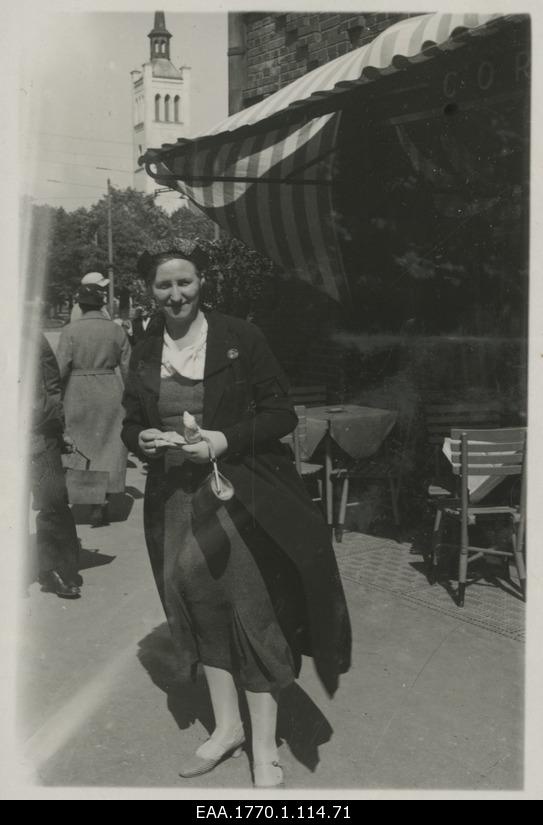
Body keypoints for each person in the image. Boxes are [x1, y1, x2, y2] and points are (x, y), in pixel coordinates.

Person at [121, 238, 351, 788]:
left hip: (238, 494)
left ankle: (265, 747)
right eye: (164, 285)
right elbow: (131, 418)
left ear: (202, 282)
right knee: (199, 608)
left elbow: (281, 414)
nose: (176, 294)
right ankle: (228, 729)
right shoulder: (145, 345)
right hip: (174, 499)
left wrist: (222, 439)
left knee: (251, 611)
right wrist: (144, 437)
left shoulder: (240, 338)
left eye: (185, 281)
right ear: (149, 291)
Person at [56, 283, 131, 526]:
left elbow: (61, 367)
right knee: (108, 447)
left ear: (80, 305)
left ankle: (91, 501)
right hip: (109, 390)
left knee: (84, 447)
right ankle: (104, 499)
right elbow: (128, 367)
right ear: (102, 305)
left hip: (77, 392)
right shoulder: (116, 331)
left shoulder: (70, 331)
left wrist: (57, 396)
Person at [30, 334, 81, 598]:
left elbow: (52, 383)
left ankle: (57, 570)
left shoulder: (31, 335)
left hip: (37, 432)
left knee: (53, 500)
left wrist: (52, 421)